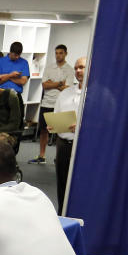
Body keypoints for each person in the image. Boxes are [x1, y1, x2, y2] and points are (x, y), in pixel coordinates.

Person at [49, 57, 86, 214]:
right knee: (62, 183)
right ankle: (62, 214)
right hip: (63, 144)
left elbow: (105, 123)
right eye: (76, 68)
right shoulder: (65, 93)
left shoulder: (98, 94)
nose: (78, 70)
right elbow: (56, 114)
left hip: (83, 145)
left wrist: (82, 126)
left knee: (81, 185)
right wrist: (53, 125)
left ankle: (78, 215)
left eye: (82, 67)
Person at [31, 44, 73, 165]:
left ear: (65, 54)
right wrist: (59, 83)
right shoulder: (49, 68)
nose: (58, 55)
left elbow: (67, 89)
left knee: (59, 132)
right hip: (46, 102)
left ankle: (58, 157)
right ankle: (42, 156)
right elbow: (44, 85)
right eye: (56, 53)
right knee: (43, 130)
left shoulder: (69, 69)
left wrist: (52, 84)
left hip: (60, 104)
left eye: (61, 53)